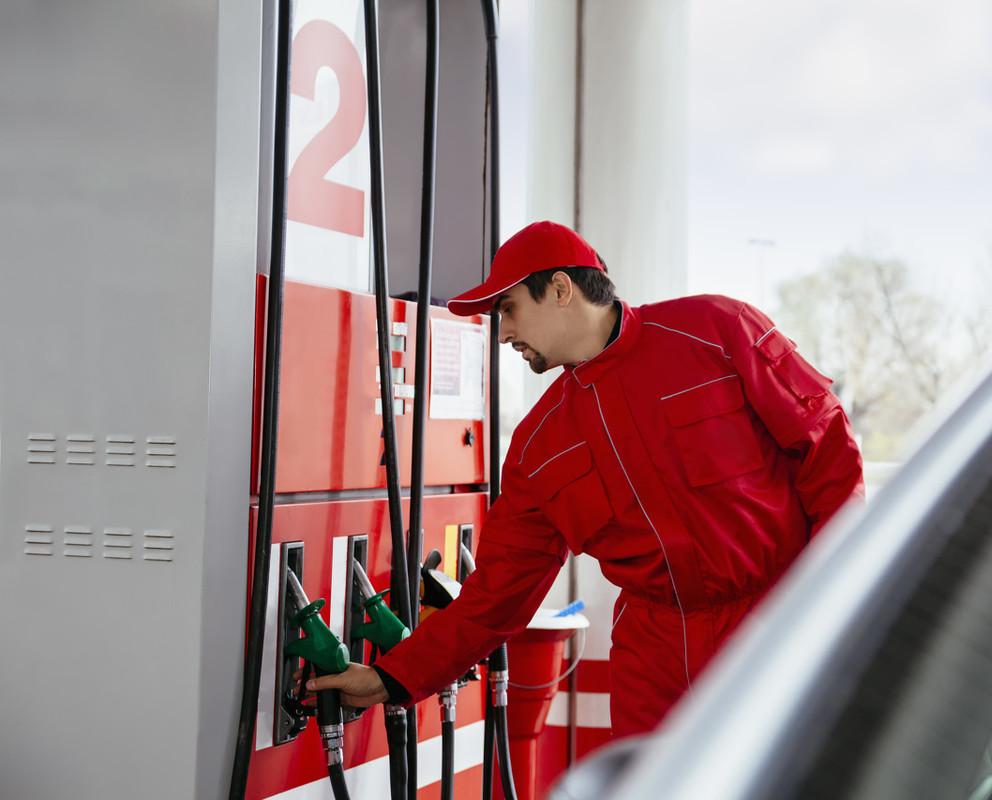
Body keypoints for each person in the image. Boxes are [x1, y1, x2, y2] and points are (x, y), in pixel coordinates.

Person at [307, 220, 864, 737]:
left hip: (778, 621)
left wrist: (837, 595)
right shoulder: (537, 447)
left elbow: (828, 450)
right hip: (655, 656)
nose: (502, 334)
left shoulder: (717, 331)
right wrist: (391, 679)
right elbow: (496, 594)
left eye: (509, 310)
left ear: (560, 289)